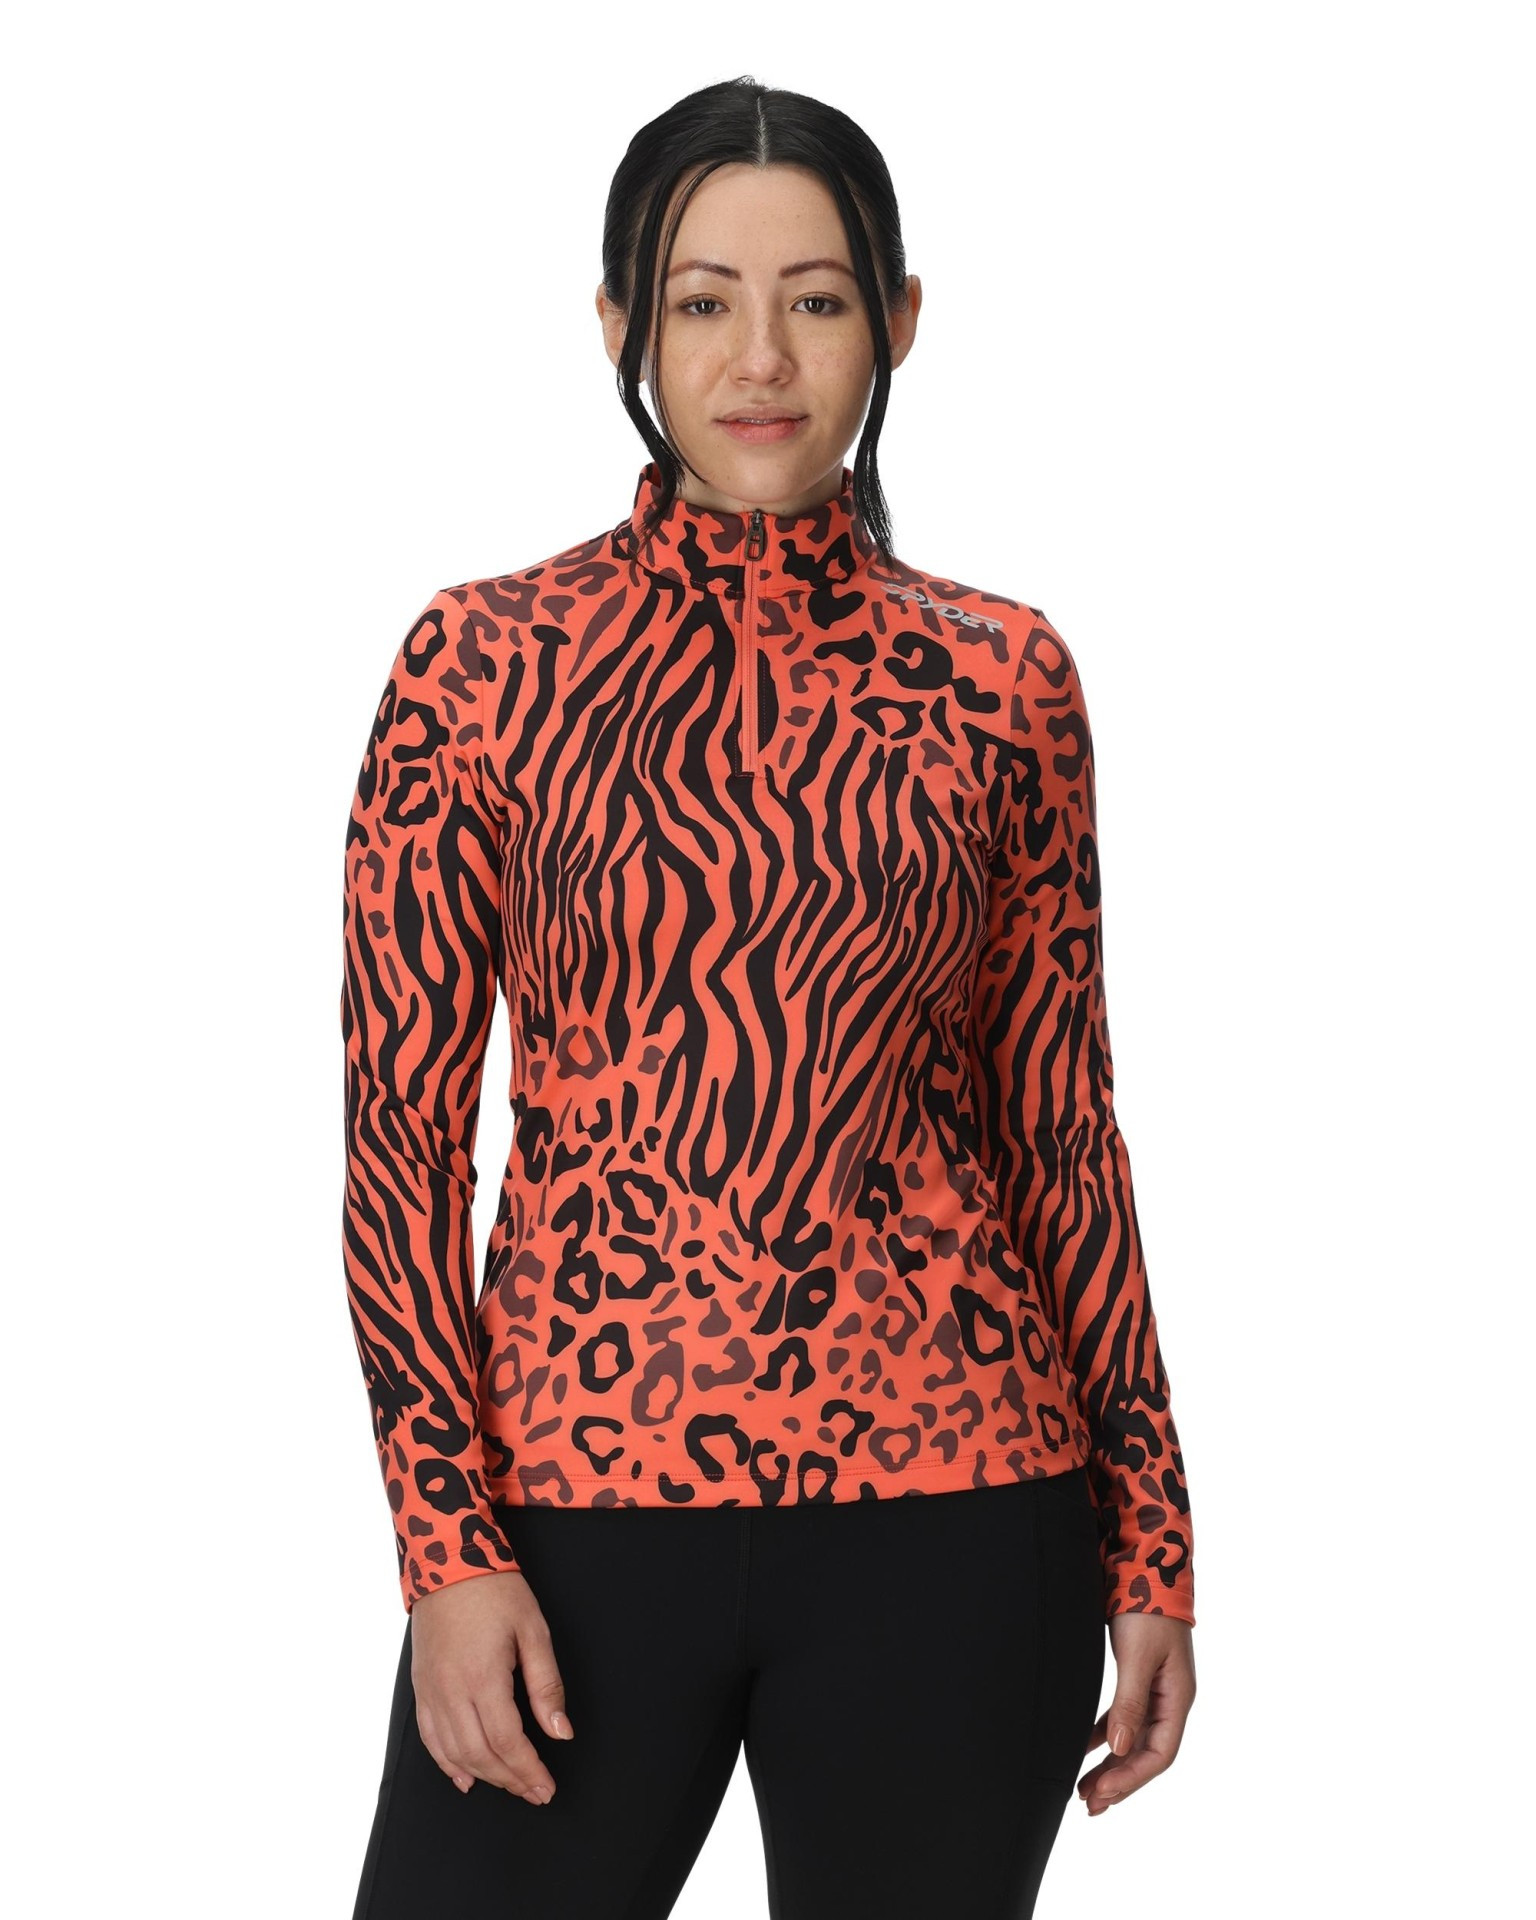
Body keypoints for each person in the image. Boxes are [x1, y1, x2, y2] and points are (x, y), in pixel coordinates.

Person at [341, 75, 1197, 1920]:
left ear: (897, 320)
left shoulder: (1006, 678)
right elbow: (398, 1143)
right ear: (621, 327)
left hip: (959, 1509)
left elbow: (1061, 1129)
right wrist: (443, 1552)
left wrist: (1151, 1540)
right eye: (703, 300)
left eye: (815, 299)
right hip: (570, 1512)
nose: (760, 360)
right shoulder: (479, 664)